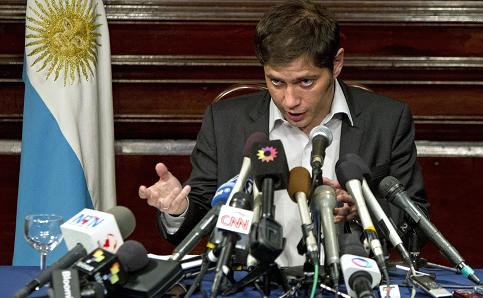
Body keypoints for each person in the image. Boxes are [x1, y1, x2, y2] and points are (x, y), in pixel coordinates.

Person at [139, 0, 429, 268]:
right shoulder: (225, 121)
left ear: (336, 64)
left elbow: (417, 223)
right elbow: (201, 212)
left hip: (347, 284)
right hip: (248, 285)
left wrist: (363, 211)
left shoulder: (387, 120)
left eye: (306, 81)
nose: (289, 100)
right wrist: (177, 210)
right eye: (276, 81)